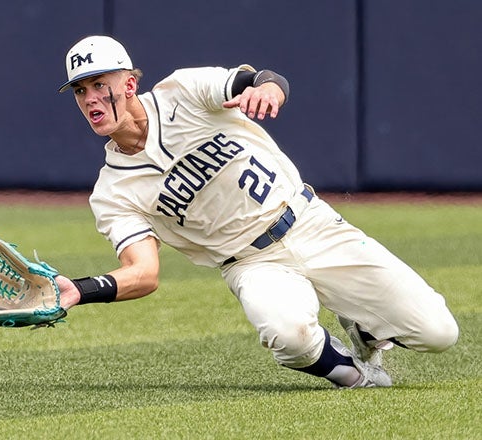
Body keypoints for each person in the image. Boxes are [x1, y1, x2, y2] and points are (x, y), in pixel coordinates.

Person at [54, 35, 459, 388]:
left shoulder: (183, 91)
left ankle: (364, 325)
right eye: (79, 91)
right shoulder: (112, 193)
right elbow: (143, 273)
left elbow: (266, 79)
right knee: (292, 337)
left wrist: (270, 92)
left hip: (310, 223)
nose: (90, 98)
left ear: (128, 83)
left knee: (439, 333)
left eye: (98, 84)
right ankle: (355, 375)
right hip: (252, 264)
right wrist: (80, 289)